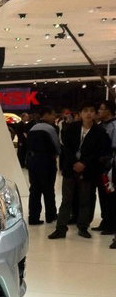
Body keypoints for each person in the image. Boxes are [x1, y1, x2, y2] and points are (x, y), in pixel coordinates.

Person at [48, 101, 111, 239]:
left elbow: (99, 152)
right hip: (70, 169)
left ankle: (83, 227)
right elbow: (66, 147)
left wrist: (84, 163)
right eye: (85, 111)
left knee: (85, 200)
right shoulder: (72, 128)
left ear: (95, 114)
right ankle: (61, 228)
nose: (88, 114)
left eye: (91, 111)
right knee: (66, 200)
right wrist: (74, 162)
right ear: (80, 113)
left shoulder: (100, 132)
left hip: (88, 170)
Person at [25, 106, 60, 225]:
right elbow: (56, 146)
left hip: (33, 162)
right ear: (46, 114)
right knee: (48, 189)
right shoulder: (50, 128)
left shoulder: (32, 128)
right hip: (47, 162)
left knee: (34, 190)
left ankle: (33, 217)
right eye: (52, 114)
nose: (54, 117)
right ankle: (51, 215)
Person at [92, 100, 116, 234]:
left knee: (111, 195)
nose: (99, 111)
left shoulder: (114, 126)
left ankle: (111, 224)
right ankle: (105, 220)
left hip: (110, 166)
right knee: (102, 194)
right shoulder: (100, 125)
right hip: (100, 166)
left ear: (109, 111)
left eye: (101, 109)